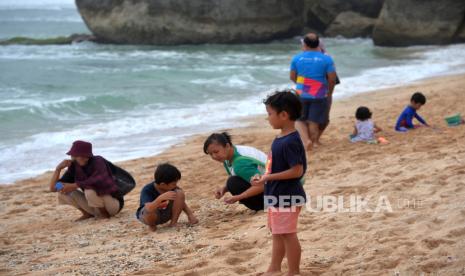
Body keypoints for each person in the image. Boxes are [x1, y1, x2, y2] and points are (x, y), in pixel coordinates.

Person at [252, 91, 307, 276]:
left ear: (284, 115)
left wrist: (269, 178)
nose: (268, 118)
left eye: (270, 114)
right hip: (276, 194)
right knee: (277, 232)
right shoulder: (281, 137)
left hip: (287, 196)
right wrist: (263, 176)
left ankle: (294, 272)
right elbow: (274, 166)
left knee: (288, 235)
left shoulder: (291, 141)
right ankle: (274, 268)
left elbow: (297, 171)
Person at [49, 140, 126, 221]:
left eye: (75, 155)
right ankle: (87, 213)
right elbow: (54, 188)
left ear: (86, 156)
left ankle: (104, 215)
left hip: (113, 205)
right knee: (63, 192)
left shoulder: (98, 161)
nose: (73, 158)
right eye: (72, 156)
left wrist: (75, 185)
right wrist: (58, 169)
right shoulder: (74, 167)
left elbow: (98, 180)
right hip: (95, 206)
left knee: (89, 190)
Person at [290, 32, 337, 150]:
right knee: (313, 120)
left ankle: (306, 141)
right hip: (320, 93)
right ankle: (314, 142)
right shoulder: (327, 59)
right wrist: (329, 92)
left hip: (302, 92)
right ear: (318, 44)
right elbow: (332, 79)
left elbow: (292, 77)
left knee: (299, 119)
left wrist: (303, 85)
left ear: (305, 44)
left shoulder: (296, 58)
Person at [204, 132, 266, 211]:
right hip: (275, 185)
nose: (214, 156)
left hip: (279, 194)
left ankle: (262, 206)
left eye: (216, 152)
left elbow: (261, 185)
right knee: (231, 182)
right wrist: (224, 189)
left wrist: (239, 197)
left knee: (233, 183)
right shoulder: (231, 153)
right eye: (210, 154)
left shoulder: (240, 163)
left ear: (227, 146)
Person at [136, 163, 198, 231]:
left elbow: (181, 201)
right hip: (148, 217)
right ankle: (152, 226)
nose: (175, 185)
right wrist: (159, 199)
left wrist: (190, 215)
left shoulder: (172, 188)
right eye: (174, 184)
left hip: (165, 214)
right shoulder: (147, 190)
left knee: (179, 193)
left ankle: (173, 223)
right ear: (163, 184)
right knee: (149, 210)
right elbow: (148, 208)